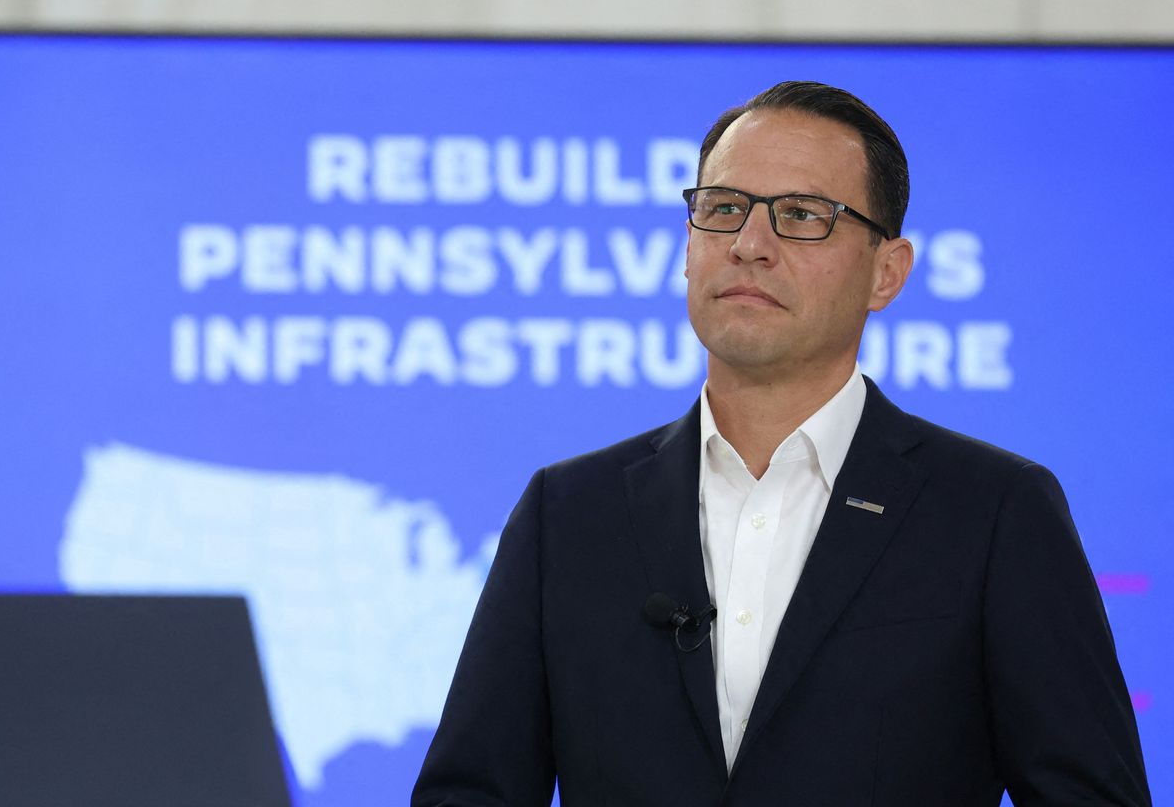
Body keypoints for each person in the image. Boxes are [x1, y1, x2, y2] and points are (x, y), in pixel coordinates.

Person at [412, 82, 1147, 805]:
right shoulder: (568, 515)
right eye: (723, 209)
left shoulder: (993, 513)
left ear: (886, 273)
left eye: (802, 215)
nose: (748, 245)